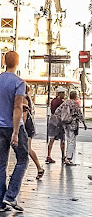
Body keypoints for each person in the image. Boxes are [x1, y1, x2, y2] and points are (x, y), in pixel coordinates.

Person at [0, 51, 28, 212]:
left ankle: (1, 200)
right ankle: (10, 196)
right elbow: (17, 107)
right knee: (23, 159)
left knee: (1, 164)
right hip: (13, 126)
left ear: (4, 61)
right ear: (17, 62)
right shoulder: (19, 82)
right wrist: (16, 133)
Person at [55, 90, 86, 165]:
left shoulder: (65, 102)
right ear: (75, 96)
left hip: (65, 124)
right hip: (73, 124)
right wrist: (84, 123)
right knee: (72, 141)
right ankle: (68, 158)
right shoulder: (75, 104)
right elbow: (79, 114)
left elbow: (57, 111)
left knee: (68, 139)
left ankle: (67, 157)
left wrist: (62, 118)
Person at [23, 85, 44, 180]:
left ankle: (39, 168)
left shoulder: (24, 98)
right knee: (25, 149)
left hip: (26, 128)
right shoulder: (27, 97)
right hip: (28, 127)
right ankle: (38, 168)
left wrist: (18, 129)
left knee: (27, 149)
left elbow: (23, 117)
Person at [46, 87, 66, 164]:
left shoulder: (53, 101)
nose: (64, 95)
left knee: (52, 139)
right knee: (62, 139)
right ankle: (63, 156)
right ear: (59, 94)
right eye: (63, 93)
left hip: (52, 120)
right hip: (59, 122)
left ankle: (48, 155)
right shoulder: (61, 102)